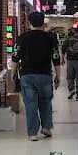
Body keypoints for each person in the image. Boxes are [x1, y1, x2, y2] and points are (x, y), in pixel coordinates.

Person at [13, 11, 61, 141]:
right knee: (46, 102)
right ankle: (46, 127)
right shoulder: (51, 38)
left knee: (31, 104)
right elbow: (56, 58)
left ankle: (32, 133)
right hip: (45, 75)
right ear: (43, 23)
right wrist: (58, 76)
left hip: (27, 76)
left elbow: (15, 57)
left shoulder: (22, 37)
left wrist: (13, 74)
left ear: (29, 23)